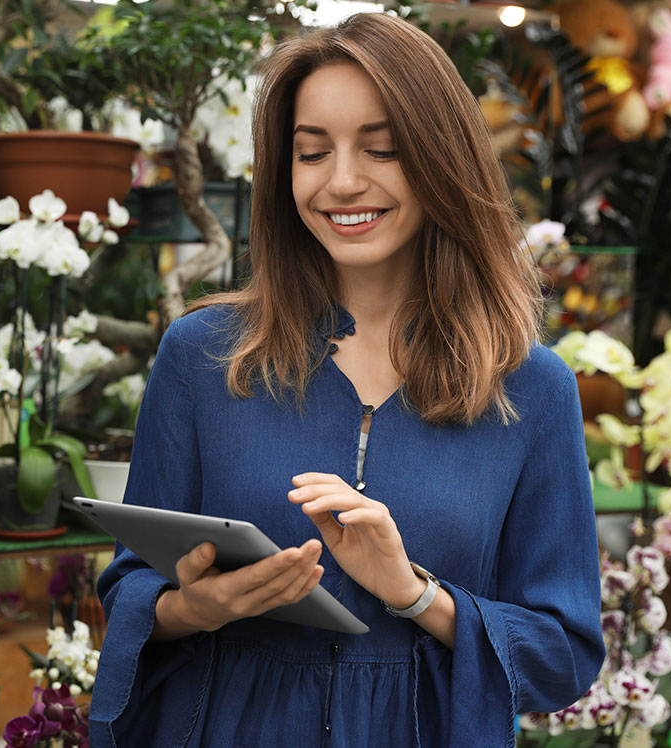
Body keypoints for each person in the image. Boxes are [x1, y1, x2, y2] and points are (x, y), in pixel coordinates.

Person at [89, 12, 605, 747]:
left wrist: (413, 593)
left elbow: (563, 655)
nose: (342, 182)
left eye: (383, 149)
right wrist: (199, 606)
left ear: (442, 158)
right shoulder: (203, 357)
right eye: (310, 152)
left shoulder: (531, 389)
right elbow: (130, 589)